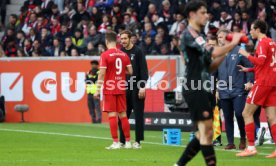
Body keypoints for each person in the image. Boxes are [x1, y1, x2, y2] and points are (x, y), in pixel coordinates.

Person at [174, 1, 243, 166]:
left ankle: (178, 164)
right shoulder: (190, 34)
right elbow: (212, 51)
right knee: (206, 132)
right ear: (192, 14)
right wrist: (232, 44)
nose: (207, 15)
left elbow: (210, 66)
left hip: (203, 86)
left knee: (205, 132)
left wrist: (224, 53)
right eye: (203, 12)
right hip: (194, 85)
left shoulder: (199, 35)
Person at [236, 20, 276, 158]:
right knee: (272, 117)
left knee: (246, 113)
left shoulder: (262, 43)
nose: (250, 32)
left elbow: (261, 61)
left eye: (252, 29)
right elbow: (267, 65)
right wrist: (249, 69)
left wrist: (246, 54)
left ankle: (251, 147)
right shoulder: (272, 42)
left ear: (258, 29)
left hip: (263, 82)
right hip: (272, 83)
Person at [94, 31, 133, 150]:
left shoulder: (104, 55)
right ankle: (128, 142)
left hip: (110, 88)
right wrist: (120, 73)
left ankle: (116, 142)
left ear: (106, 42)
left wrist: (97, 90)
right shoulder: (124, 54)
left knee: (112, 115)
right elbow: (131, 72)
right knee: (123, 115)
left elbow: (101, 74)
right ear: (116, 41)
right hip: (121, 86)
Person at [216, 29, 254, 150]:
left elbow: (250, 66)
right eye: (218, 37)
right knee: (227, 116)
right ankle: (231, 142)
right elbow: (214, 73)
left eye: (221, 37)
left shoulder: (239, 51)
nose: (219, 39)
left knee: (239, 113)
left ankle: (243, 137)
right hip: (223, 90)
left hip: (238, 89)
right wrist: (214, 89)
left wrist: (249, 81)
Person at [118, 30, 149, 149]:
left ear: (130, 38)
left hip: (136, 87)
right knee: (122, 115)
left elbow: (144, 71)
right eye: (121, 39)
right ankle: (122, 141)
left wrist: (142, 86)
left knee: (138, 115)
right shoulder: (120, 52)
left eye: (125, 38)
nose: (123, 41)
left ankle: (138, 141)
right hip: (124, 88)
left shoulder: (138, 51)